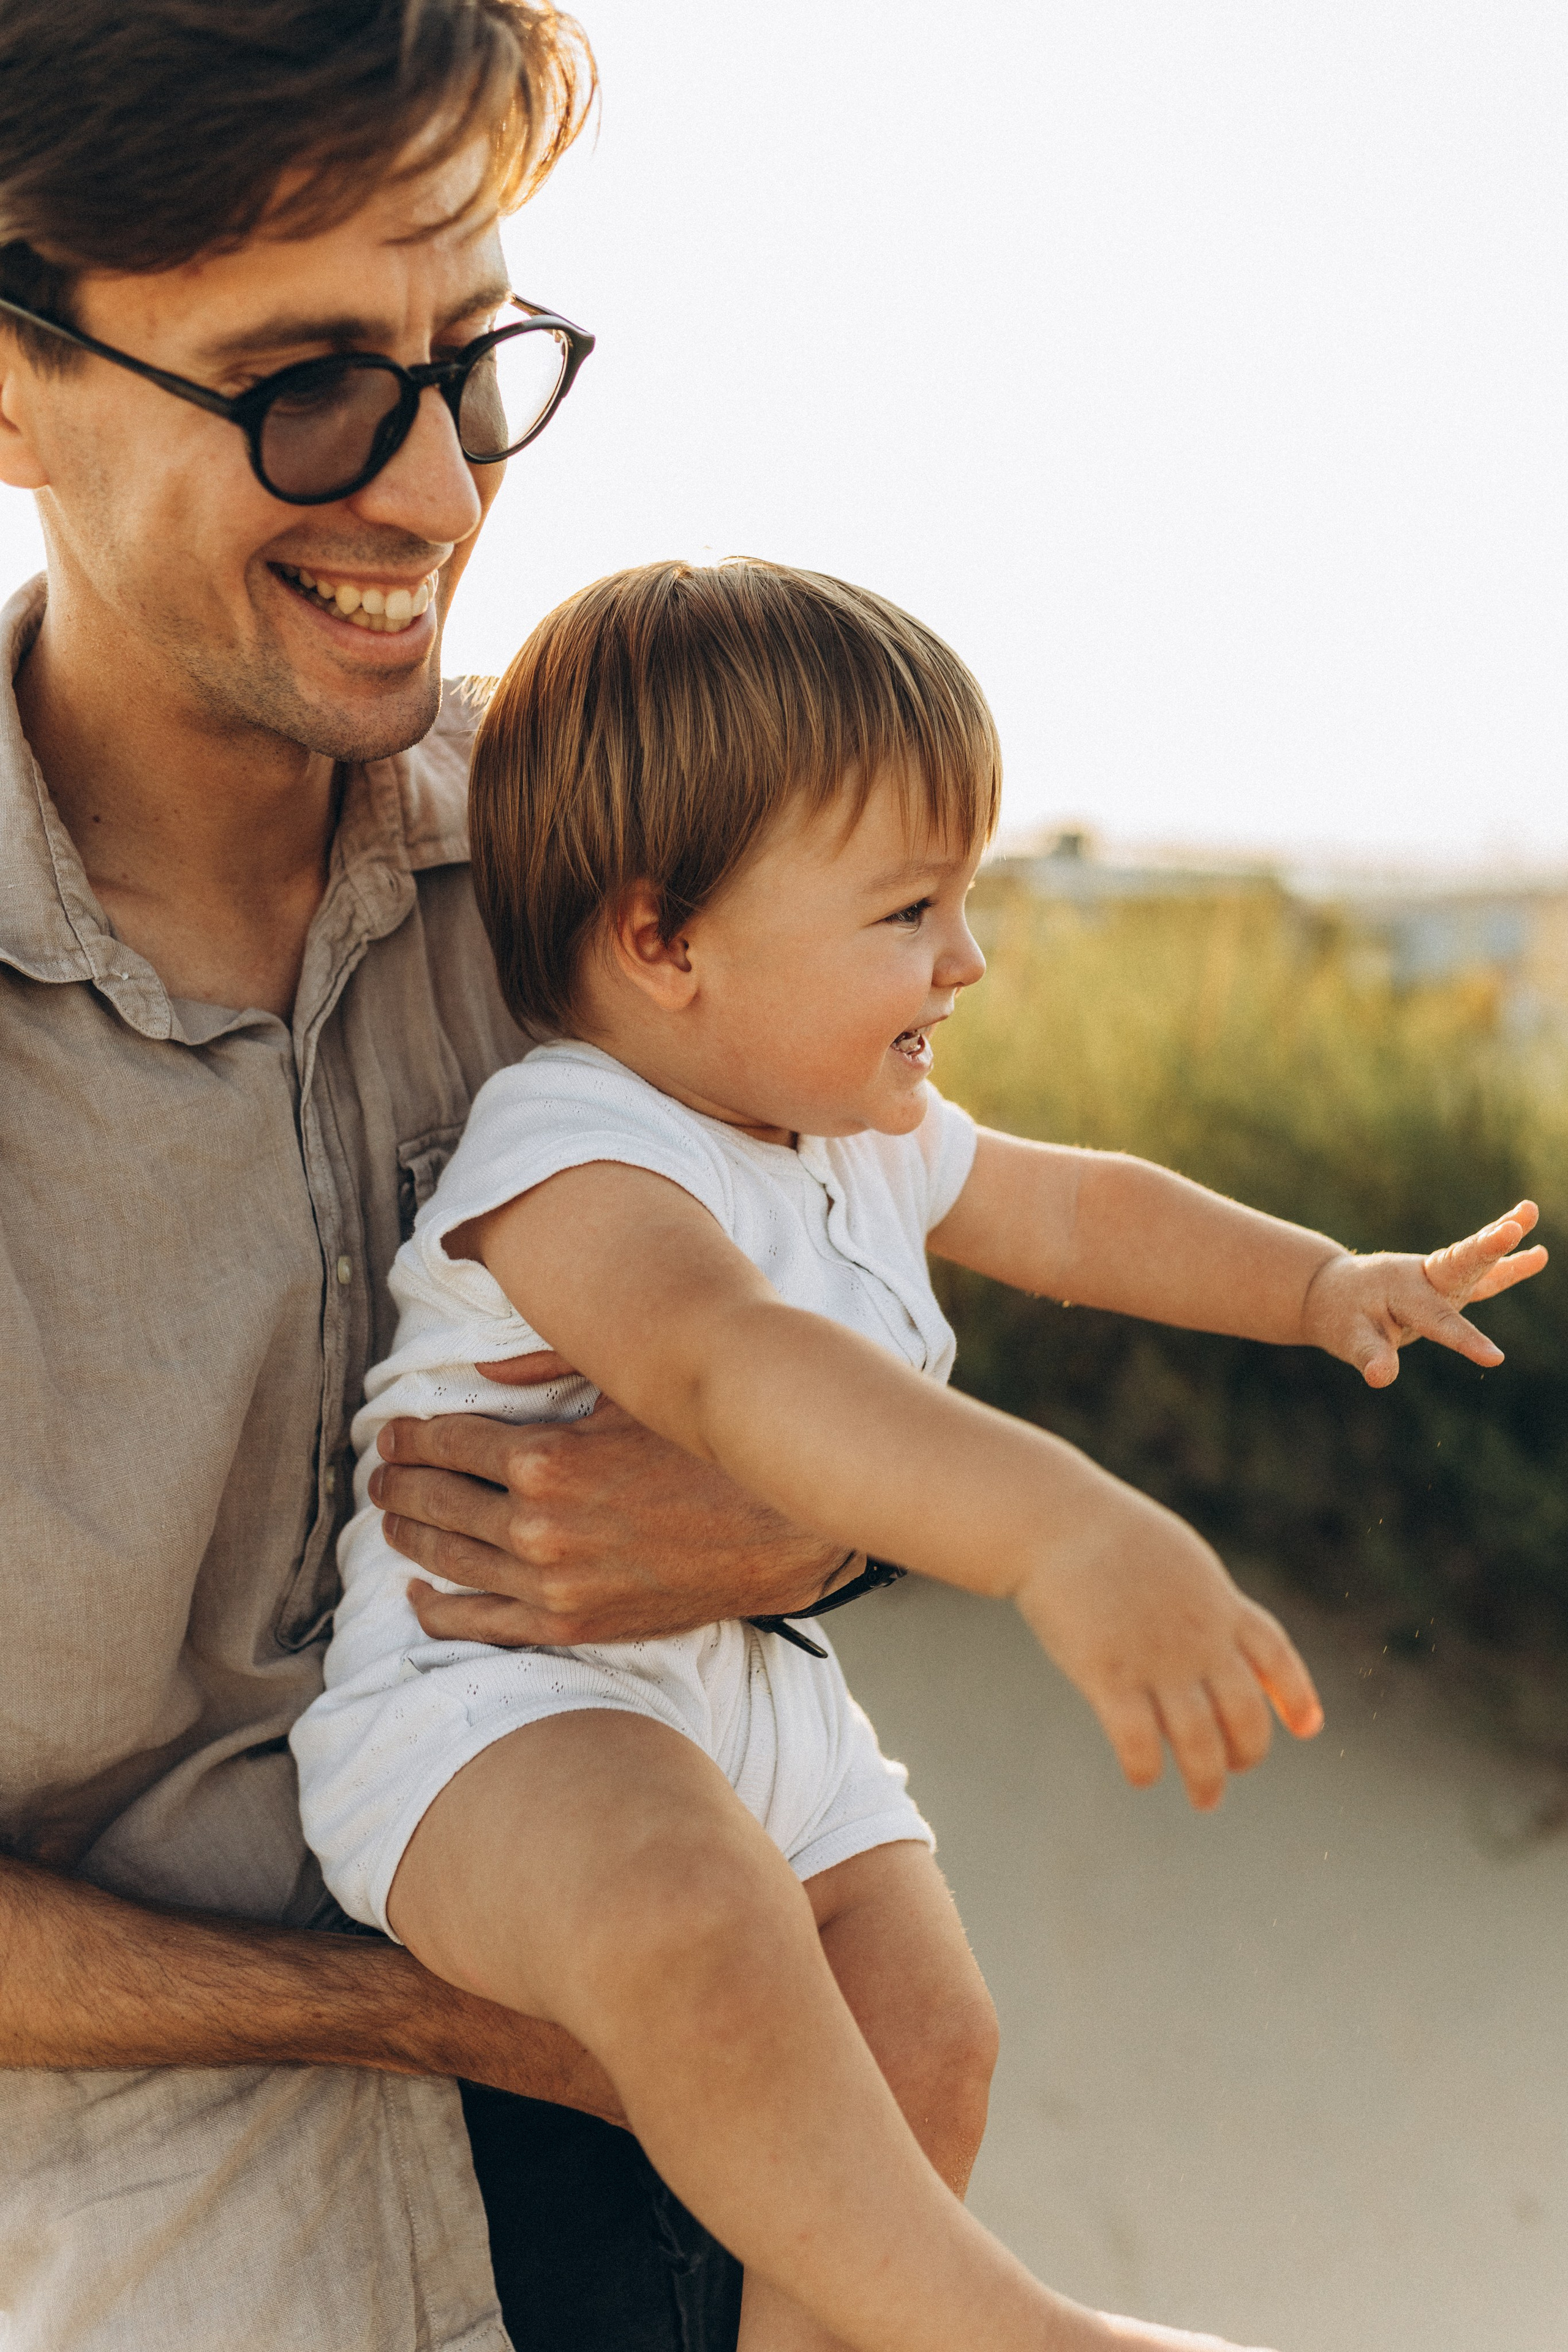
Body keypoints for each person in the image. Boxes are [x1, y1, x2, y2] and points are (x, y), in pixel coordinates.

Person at [291, 557, 1548, 2352]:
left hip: (753, 1708)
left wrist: (1322, 1283)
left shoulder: (862, 1129)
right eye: (906, 911)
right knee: (689, 1909)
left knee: (931, 2031)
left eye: (963, 897)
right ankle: (1013, 2336)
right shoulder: (572, 1157)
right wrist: (1058, 1531)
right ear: (665, 941)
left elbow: (1082, 1210)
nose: (967, 957)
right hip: (493, 1723)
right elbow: (734, 1371)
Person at [0, 7, 862, 2348]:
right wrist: (433, 2019)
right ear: (13, 384)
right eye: (305, 388)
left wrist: (812, 1528)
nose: (445, 499)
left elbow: (879, 1286)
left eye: (472, 364)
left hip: (688, 2222)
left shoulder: (617, 889)